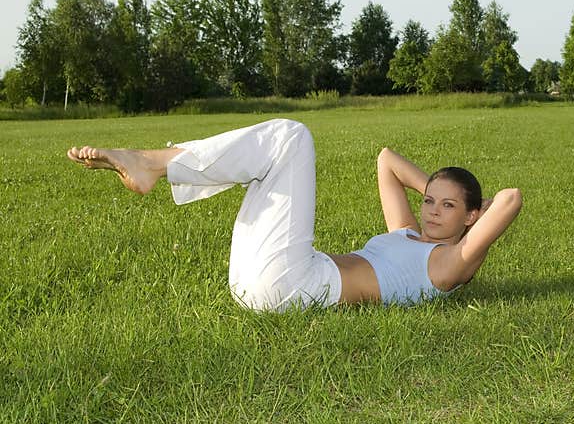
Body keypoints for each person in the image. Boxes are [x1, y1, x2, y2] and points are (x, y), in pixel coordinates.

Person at [66, 118, 522, 311]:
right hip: (256, 284)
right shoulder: (406, 236)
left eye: (447, 207)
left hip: (296, 286)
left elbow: (512, 199)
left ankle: (155, 164)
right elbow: (386, 160)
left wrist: (469, 219)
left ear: (470, 217)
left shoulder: (448, 266)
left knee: (292, 137)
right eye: (429, 201)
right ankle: (156, 163)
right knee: (265, 166)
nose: (432, 211)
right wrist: (438, 188)